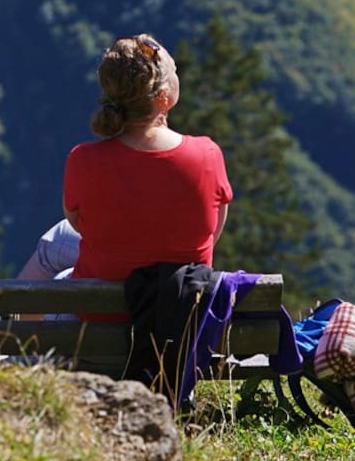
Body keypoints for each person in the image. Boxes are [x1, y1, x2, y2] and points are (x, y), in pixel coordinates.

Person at [62, 33, 232, 285]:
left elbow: (77, 224)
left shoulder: (83, 159)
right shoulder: (207, 155)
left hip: (98, 314)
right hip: (177, 308)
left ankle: (8, 325)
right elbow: (210, 235)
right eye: (174, 72)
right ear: (163, 97)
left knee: (52, 248)